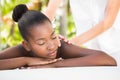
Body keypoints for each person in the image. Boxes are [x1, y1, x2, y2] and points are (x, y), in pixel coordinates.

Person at [0, 4, 116, 70]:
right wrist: (27, 60)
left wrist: (54, 65)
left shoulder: (61, 47)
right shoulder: (23, 49)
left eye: (53, 36)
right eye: (41, 43)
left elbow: (109, 60)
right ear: (27, 45)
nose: (51, 46)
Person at [44, 0, 120, 66]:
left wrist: (70, 43)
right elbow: (49, 13)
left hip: (116, 43)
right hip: (93, 46)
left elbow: (108, 21)